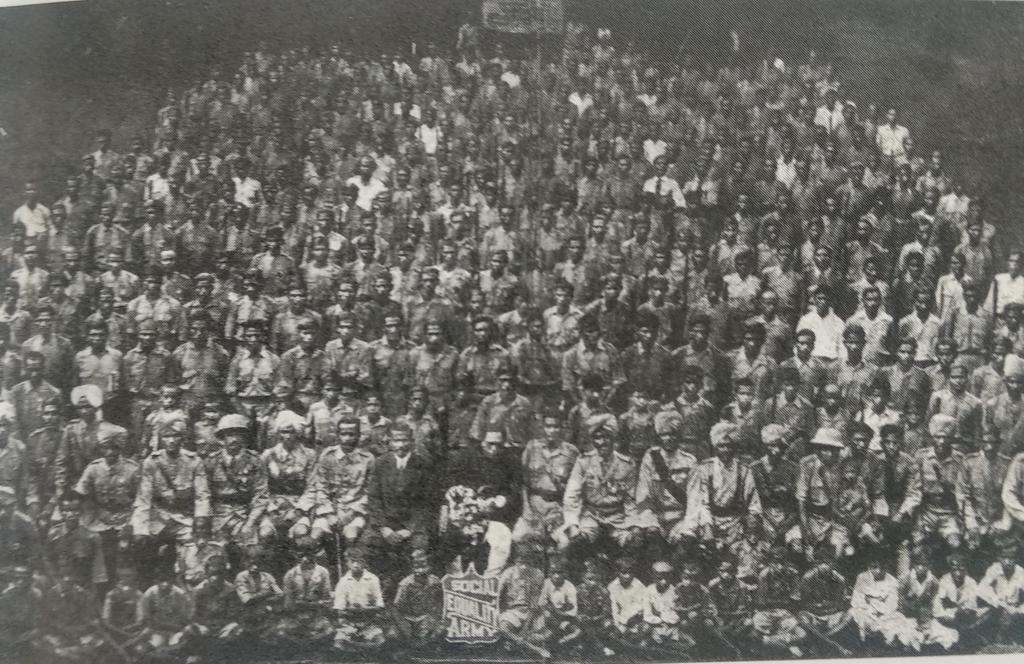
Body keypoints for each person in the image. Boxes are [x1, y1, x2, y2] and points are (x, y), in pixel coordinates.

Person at [391, 549, 444, 649]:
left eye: (423, 565)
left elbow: (440, 603)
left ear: (429, 566)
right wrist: (404, 626)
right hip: (408, 618)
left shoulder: (436, 582)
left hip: (426, 617)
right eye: (417, 565)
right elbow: (396, 608)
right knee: (394, 636)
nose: (420, 570)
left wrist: (434, 619)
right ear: (412, 567)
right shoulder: (405, 584)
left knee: (437, 634)